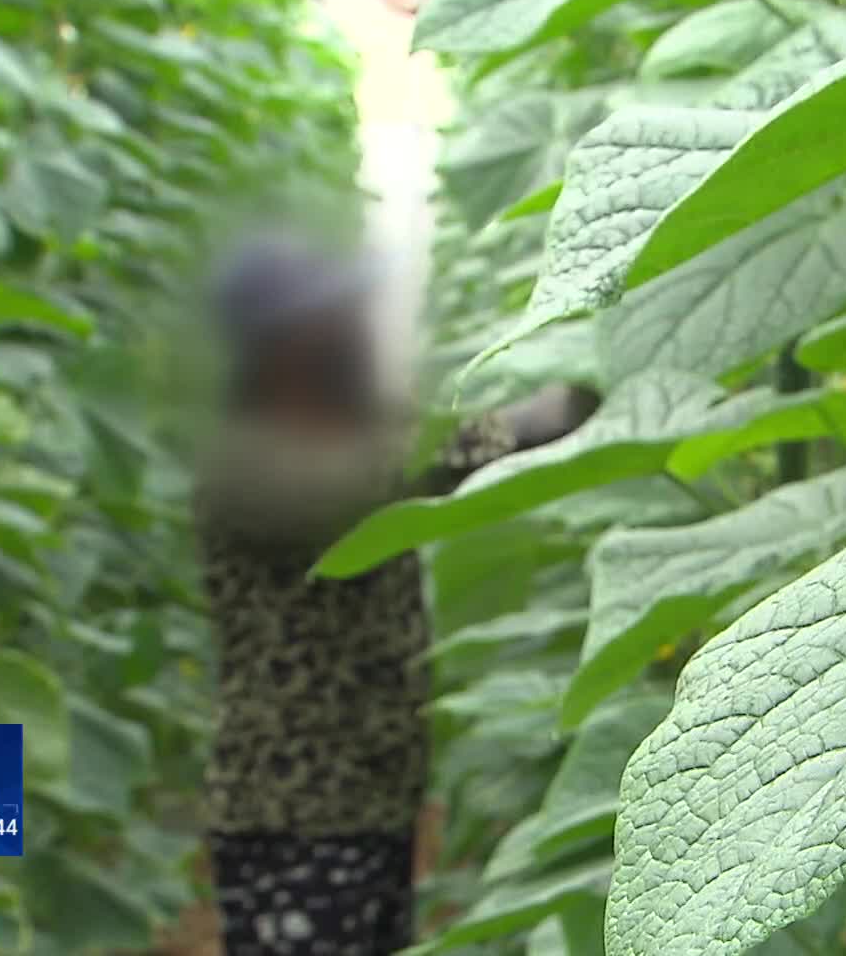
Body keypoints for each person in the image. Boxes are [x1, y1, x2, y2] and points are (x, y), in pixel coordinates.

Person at [190, 236, 596, 953]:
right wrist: (602, 351)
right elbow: (511, 434)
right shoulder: (261, 464)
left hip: (367, 797)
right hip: (296, 814)